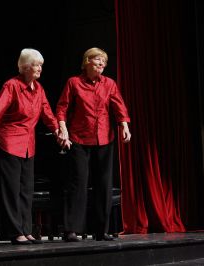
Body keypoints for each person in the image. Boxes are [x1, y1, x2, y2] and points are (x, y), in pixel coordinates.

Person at [0, 48, 59, 245]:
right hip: (9, 141)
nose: (40, 68)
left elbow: (47, 112)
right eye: (36, 65)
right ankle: (15, 231)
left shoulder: (38, 88)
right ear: (25, 67)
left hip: (28, 143)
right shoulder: (12, 85)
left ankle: (27, 229)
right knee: (11, 189)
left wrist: (59, 130)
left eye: (41, 65)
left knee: (26, 189)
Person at [56, 47, 131, 242]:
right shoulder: (74, 82)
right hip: (79, 138)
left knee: (104, 184)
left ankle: (101, 230)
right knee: (78, 182)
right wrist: (63, 129)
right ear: (87, 61)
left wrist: (124, 126)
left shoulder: (109, 84)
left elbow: (119, 106)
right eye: (98, 60)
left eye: (104, 62)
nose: (101, 64)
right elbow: (62, 107)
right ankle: (71, 229)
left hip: (105, 138)